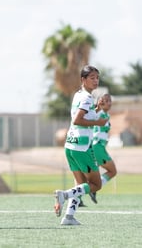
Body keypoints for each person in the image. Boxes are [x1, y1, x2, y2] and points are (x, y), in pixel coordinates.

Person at [54, 65, 108, 225]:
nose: (96, 81)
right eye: (92, 78)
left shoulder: (79, 95)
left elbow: (84, 115)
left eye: (97, 77)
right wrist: (98, 121)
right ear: (83, 80)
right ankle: (64, 195)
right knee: (96, 184)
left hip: (70, 145)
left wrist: (97, 109)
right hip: (82, 147)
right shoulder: (86, 98)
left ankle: (69, 217)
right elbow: (77, 120)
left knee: (80, 184)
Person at [88, 93, 117, 203]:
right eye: (105, 100)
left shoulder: (105, 115)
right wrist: (97, 106)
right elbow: (91, 116)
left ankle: (77, 197)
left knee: (85, 175)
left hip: (98, 147)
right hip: (97, 147)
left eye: (110, 101)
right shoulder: (99, 113)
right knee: (112, 171)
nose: (109, 103)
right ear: (100, 102)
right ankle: (94, 189)